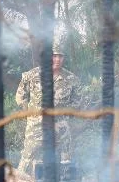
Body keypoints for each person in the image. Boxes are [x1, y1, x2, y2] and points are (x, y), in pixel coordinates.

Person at [15, 45, 83, 174]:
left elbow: (78, 101)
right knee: (28, 155)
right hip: (36, 123)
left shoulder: (71, 79)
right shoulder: (33, 75)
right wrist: (27, 111)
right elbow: (20, 95)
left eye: (60, 56)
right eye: (54, 56)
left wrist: (66, 114)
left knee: (65, 157)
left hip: (60, 124)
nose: (57, 60)